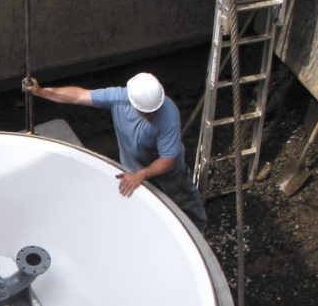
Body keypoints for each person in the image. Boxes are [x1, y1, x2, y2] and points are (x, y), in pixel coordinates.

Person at [22, 72, 207, 232]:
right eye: (145, 112)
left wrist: (141, 174)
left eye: (154, 111)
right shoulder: (119, 97)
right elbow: (79, 96)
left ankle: (199, 231)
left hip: (168, 174)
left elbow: (168, 160)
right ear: (133, 102)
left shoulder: (168, 113)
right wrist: (41, 91)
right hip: (133, 168)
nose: (151, 115)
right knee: (146, 205)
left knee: (183, 201)